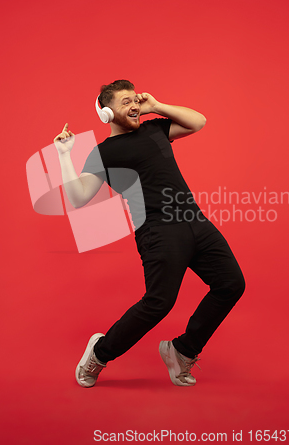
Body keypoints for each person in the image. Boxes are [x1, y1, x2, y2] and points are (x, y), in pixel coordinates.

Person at [53, 79, 245, 388]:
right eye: (124, 102)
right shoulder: (104, 153)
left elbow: (198, 122)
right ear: (105, 114)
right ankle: (99, 353)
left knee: (231, 284)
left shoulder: (155, 129)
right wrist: (64, 155)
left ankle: (183, 351)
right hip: (158, 230)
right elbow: (78, 197)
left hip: (194, 219)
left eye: (134, 99)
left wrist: (154, 105)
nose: (133, 105)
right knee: (159, 303)